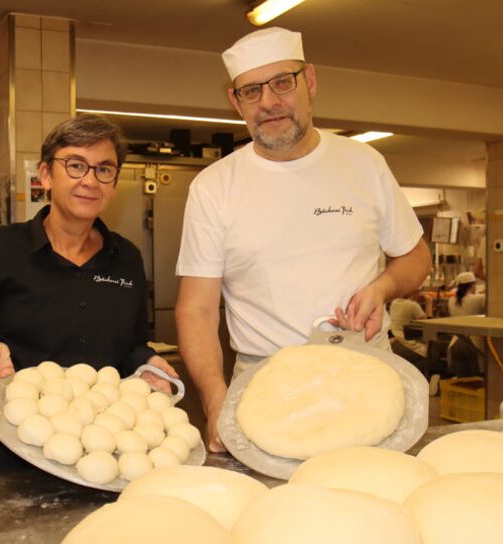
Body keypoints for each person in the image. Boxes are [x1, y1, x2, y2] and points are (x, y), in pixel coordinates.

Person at [175, 27, 432, 452]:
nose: (269, 102)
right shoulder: (214, 187)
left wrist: (382, 287)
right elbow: (197, 308)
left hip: (365, 372)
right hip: (265, 385)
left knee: (373, 497)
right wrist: (215, 397)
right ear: (235, 102)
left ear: (309, 81)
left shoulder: (363, 163)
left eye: (282, 82)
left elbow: (415, 257)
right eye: (251, 91)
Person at [0, 114, 177, 474]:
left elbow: (129, 345)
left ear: (113, 184)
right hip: (6, 457)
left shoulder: (126, 258)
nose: (90, 181)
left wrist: (145, 364)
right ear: (46, 175)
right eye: (76, 165)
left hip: (95, 461)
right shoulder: (1, 248)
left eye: (104, 170)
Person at [447, 271, 486, 377]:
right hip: (473, 344)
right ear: (472, 285)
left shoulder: (451, 300)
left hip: (455, 342)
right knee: (475, 380)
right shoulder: (478, 299)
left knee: (462, 379)